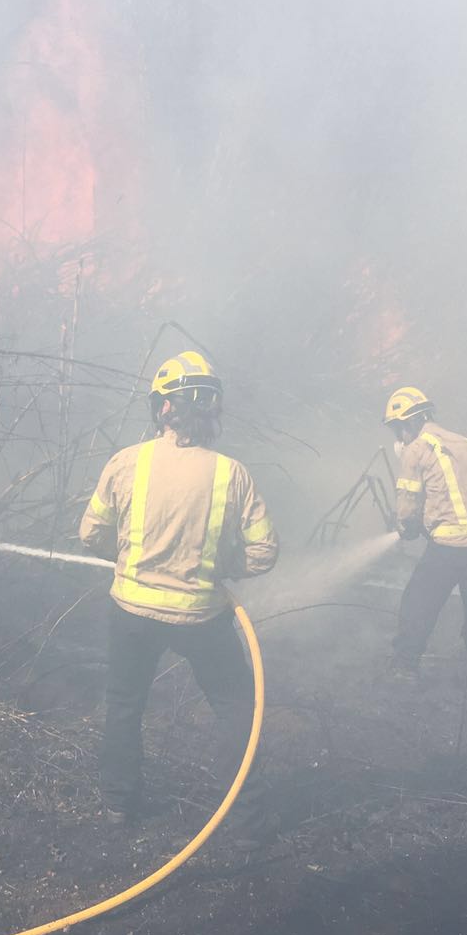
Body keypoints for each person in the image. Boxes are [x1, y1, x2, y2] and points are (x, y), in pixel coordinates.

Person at [79, 351, 279, 841]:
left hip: (131, 612)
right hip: (201, 615)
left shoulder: (126, 463)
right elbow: (264, 551)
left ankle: (118, 807)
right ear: (211, 410)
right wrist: (219, 570)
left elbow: (90, 534)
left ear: (162, 408)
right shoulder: (232, 475)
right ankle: (248, 823)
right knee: (236, 708)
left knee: (125, 704)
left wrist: (127, 558)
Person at [384, 387, 467, 687]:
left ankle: (404, 667)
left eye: (397, 429)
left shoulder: (417, 449)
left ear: (409, 422)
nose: (398, 438)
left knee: (418, 602)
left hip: (451, 544)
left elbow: (408, 502)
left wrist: (407, 529)